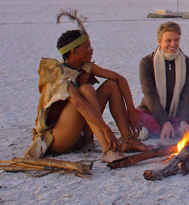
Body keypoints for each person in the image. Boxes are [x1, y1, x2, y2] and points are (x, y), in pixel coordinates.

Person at [25, 21, 148, 162]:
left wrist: (131, 110)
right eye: (87, 47)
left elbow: (120, 79)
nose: (91, 50)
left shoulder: (84, 67)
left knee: (111, 85)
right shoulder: (59, 74)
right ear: (74, 51)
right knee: (86, 89)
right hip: (58, 140)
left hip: (80, 136)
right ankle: (108, 149)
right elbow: (78, 103)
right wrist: (106, 130)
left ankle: (128, 139)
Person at [137, 21, 189, 141]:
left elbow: (188, 93)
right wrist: (164, 121)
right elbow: (150, 96)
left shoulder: (187, 62)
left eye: (176, 40)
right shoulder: (147, 62)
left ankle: (164, 129)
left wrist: (184, 120)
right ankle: (168, 128)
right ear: (159, 41)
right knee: (132, 114)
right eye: (168, 41)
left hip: (179, 113)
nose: (173, 44)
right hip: (153, 112)